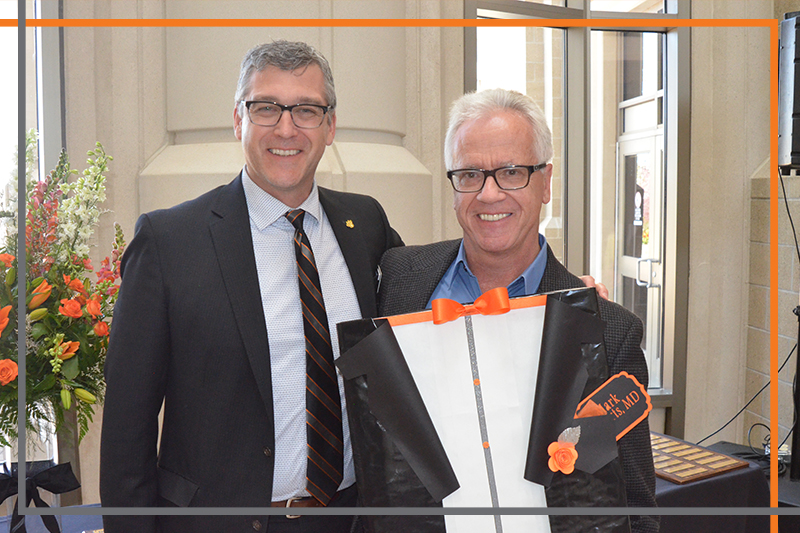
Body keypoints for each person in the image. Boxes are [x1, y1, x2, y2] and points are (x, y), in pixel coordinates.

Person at [99, 40, 402, 532]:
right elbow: (126, 434)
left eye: (306, 109)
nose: (286, 128)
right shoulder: (168, 242)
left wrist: (547, 296)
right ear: (238, 120)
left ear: (329, 126)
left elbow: (428, 298)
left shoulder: (365, 223)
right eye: (266, 108)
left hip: (352, 518)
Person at [377, 88, 658, 533]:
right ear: (452, 187)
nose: (489, 195)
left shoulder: (607, 333)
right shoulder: (398, 277)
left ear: (546, 182)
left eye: (511, 172)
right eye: (469, 174)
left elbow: (632, 506)